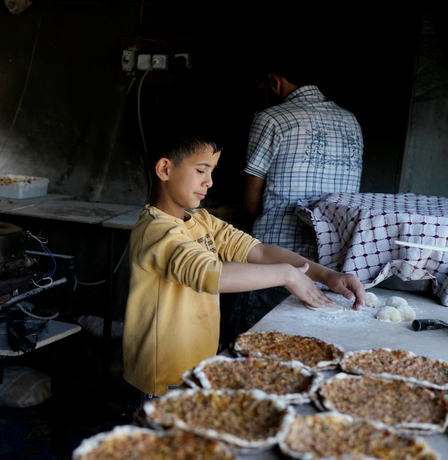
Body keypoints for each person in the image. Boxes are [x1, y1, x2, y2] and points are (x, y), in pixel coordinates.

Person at [122, 135, 364, 409]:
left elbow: (258, 252)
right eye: (201, 170)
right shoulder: (156, 231)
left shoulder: (201, 220)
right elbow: (209, 274)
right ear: (165, 169)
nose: (209, 182)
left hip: (195, 370)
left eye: (212, 171)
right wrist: (287, 275)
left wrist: (324, 274)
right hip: (162, 382)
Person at [225, 55, 364, 343]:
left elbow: (251, 205)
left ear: (274, 80)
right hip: (332, 269)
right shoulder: (351, 121)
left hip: (274, 268)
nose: (262, 97)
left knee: (254, 359)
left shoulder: (270, 118)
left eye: (261, 89)